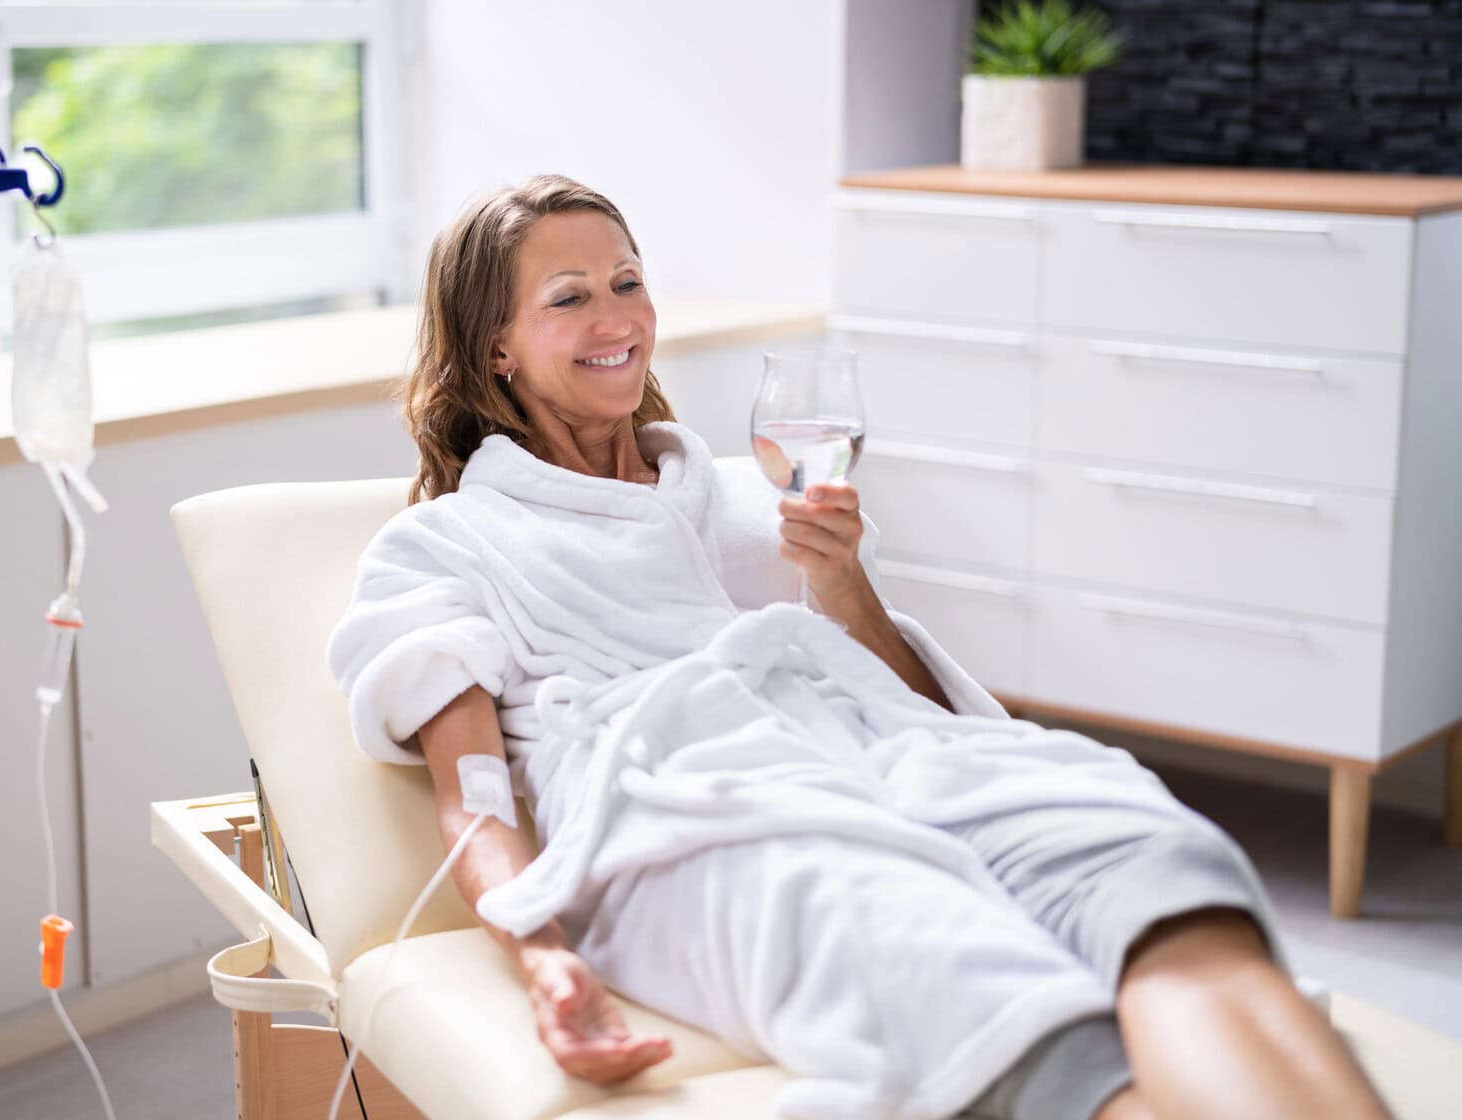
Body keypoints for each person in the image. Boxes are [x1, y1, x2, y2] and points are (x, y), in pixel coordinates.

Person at [326, 174, 1389, 1120]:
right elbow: (472, 791)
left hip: (891, 760)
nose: (617, 317)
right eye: (569, 297)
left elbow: (918, 705)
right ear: (496, 348)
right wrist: (544, 954)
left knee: (1148, 859)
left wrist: (841, 582)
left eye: (628, 280)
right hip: (694, 818)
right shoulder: (446, 545)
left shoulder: (744, 497)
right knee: (954, 970)